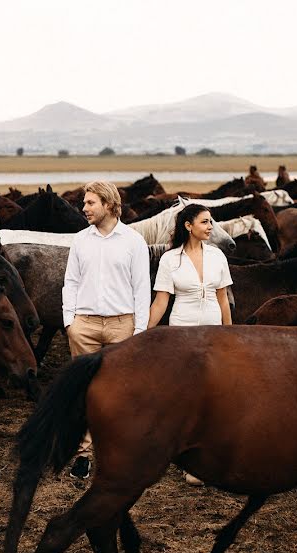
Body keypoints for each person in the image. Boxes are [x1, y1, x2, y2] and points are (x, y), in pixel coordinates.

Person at [62, 180, 150, 479]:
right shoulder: (80, 241)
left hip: (121, 325)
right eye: (84, 203)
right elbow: (70, 282)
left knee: (122, 392)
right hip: (83, 325)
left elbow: (142, 288)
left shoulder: (133, 241)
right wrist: (69, 323)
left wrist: (138, 329)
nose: (83, 208)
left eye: (90, 203)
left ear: (109, 205)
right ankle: (83, 456)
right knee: (84, 390)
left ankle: (120, 452)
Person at [147, 203, 233, 485]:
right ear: (189, 226)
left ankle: (208, 456)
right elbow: (161, 301)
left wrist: (230, 335)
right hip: (182, 332)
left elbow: (223, 299)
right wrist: (144, 333)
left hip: (213, 331)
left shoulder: (218, 256)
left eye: (211, 222)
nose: (210, 227)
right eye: (205, 222)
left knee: (213, 394)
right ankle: (185, 456)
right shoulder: (170, 260)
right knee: (184, 395)